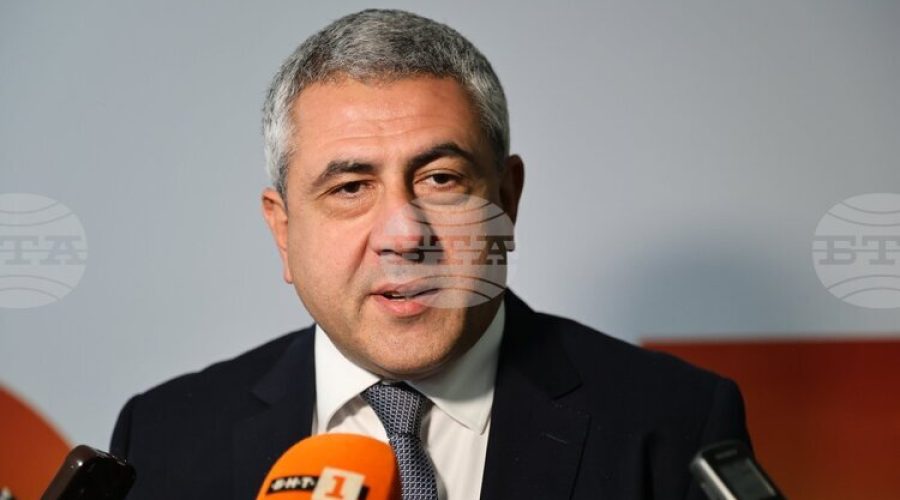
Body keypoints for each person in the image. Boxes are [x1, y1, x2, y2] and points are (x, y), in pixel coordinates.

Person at [110, 9, 750, 499]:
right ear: (283, 230)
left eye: (441, 179)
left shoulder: (675, 423)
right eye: (350, 187)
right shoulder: (163, 438)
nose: (404, 234)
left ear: (507, 201)